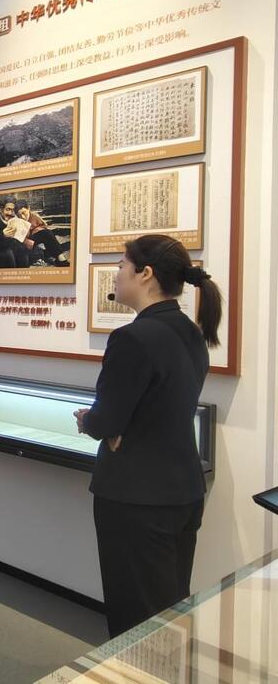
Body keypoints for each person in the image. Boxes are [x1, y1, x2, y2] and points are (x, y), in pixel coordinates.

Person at [73, 234, 222, 638]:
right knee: (170, 611)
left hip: (136, 497)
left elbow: (107, 420)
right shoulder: (191, 332)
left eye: (122, 265)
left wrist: (90, 421)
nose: (117, 273)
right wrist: (115, 426)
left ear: (145, 274)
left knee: (136, 620)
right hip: (182, 489)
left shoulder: (132, 338)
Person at [16, 200, 68, 266]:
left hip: (33, 238)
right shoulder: (16, 221)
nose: (22, 217)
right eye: (19, 215)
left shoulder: (34, 216)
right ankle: (58, 258)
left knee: (47, 233)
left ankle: (60, 257)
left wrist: (36, 230)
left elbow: (43, 226)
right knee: (47, 235)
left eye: (24, 213)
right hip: (23, 242)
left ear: (28, 208)